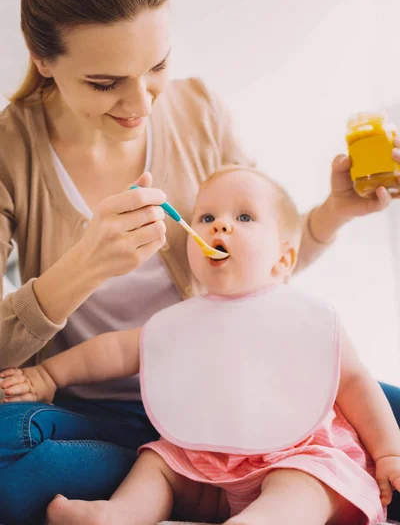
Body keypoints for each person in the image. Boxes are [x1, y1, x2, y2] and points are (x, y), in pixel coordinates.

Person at [0, 0, 400, 523]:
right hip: (102, 412)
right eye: (105, 83)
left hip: (246, 393)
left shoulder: (198, 110)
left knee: (383, 420)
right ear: (43, 59)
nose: (140, 104)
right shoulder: (11, 152)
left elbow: (263, 264)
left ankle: (223, 481)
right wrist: (79, 271)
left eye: (156, 66)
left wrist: (331, 214)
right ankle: (222, 478)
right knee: (10, 446)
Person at [2, 165, 397, 525]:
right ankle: (119, 515)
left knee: (306, 483)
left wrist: (387, 453)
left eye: (243, 217)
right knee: (158, 463)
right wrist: (47, 374)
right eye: (207, 217)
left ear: (283, 259)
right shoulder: (181, 320)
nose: (219, 227)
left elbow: (356, 384)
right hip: (204, 460)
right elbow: (115, 351)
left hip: (295, 453)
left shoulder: (309, 319)